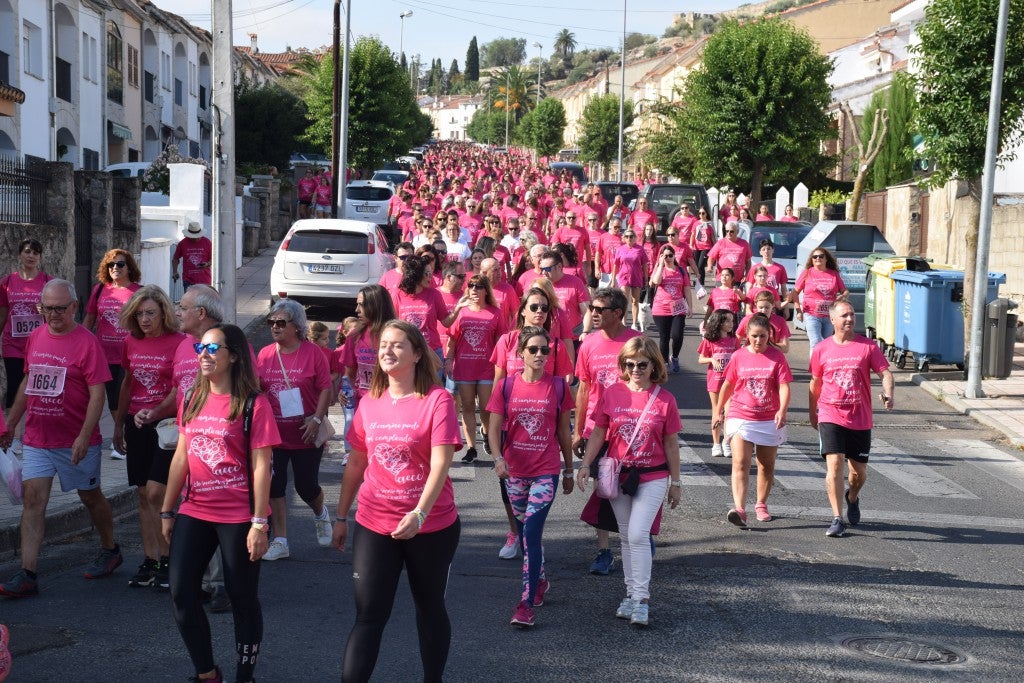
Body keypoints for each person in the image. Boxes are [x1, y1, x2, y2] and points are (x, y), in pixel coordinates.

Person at [332, 321, 461, 683]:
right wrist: (341, 515)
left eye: (398, 345)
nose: (387, 351)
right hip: (375, 523)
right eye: (384, 345)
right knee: (369, 615)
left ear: (418, 354)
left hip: (431, 526)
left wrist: (419, 513)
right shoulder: (370, 402)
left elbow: (441, 462)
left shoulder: (438, 400)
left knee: (429, 607)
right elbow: (357, 461)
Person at [162, 323, 280, 683]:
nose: (203, 355)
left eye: (213, 349)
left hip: (239, 516)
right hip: (195, 509)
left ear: (233, 356)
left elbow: (262, 467)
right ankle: (206, 673)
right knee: (182, 593)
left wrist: (259, 522)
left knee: (242, 598)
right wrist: (168, 509)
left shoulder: (253, 404)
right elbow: (181, 456)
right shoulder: (192, 398)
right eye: (201, 347)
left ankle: (246, 675)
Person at [0, 280, 121, 598]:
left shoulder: (87, 342)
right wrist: (10, 423)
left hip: (75, 441)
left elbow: (97, 394)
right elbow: (29, 378)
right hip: (38, 437)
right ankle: (28, 574)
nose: (51, 314)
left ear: (74, 307)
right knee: (33, 501)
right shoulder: (37, 335)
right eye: (46, 308)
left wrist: (84, 436)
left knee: (90, 496)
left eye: (58, 308)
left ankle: (110, 549)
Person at [576, 336, 681, 627]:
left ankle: (642, 599)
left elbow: (671, 444)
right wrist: (586, 464)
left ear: (653, 365)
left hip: (653, 475)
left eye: (642, 364)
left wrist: (676, 482)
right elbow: (599, 433)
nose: (635, 369)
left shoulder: (664, 399)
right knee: (625, 536)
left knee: (637, 534)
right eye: (629, 363)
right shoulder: (612, 393)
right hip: (620, 474)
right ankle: (631, 595)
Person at [486, 326, 574, 627]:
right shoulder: (505, 387)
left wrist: (569, 469)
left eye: (544, 350)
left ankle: (524, 605)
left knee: (532, 532)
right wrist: (497, 458)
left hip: (545, 470)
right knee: (524, 535)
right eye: (533, 349)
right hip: (514, 470)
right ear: (521, 352)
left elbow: (564, 431)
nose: (540, 355)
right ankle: (540, 579)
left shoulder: (559, 387)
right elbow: (493, 428)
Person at [114, 285, 185, 590]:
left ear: (164, 313)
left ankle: (170, 558)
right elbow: (128, 384)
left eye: (150, 313)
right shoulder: (131, 342)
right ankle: (151, 559)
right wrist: (118, 425)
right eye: (139, 313)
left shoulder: (179, 343)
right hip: (137, 423)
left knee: (159, 493)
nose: (144, 319)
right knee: (143, 494)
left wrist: (155, 411)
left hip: (167, 424)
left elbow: (177, 388)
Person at [171, 284, 233, 612]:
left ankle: (223, 585)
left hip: (223, 447)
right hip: (191, 438)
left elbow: (248, 390)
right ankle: (206, 582)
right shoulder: (183, 346)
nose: (177, 312)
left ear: (201, 313)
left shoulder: (229, 342)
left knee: (220, 512)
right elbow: (178, 388)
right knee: (194, 507)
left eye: (182, 307)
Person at [255, 299, 333, 561]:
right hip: (275, 435)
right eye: (271, 322)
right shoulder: (265, 353)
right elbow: (258, 388)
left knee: (306, 486)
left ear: (297, 327)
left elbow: (325, 387)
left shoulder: (313, 354)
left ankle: (321, 513)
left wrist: (317, 420)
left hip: (306, 432)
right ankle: (281, 540)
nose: (274, 327)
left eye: (280, 323)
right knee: (275, 486)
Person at [809, 300, 894, 538]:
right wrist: (811, 412)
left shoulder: (867, 347)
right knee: (834, 464)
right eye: (844, 315)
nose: (849, 319)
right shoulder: (821, 349)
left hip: (860, 418)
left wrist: (889, 393)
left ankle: (852, 497)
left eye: (852, 315)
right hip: (830, 413)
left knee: (858, 473)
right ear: (832, 320)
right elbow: (815, 383)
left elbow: (885, 373)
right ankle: (837, 518)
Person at [573, 288, 642, 575]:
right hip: (596, 428)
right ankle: (604, 551)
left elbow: (650, 384)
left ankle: (640, 538)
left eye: (600, 309)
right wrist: (578, 430)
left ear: (618, 313)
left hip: (630, 430)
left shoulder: (637, 341)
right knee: (604, 489)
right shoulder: (588, 343)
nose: (593, 313)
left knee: (635, 487)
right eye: (592, 308)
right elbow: (584, 389)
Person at [714, 314, 792, 527]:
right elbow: (727, 385)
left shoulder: (777, 357)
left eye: (763, 336)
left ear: (770, 336)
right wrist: (718, 411)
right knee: (740, 462)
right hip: (741, 416)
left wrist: (782, 411)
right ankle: (739, 509)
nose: (758, 341)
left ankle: (761, 503)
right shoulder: (738, 356)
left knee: (766, 464)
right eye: (754, 336)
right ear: (747, 336)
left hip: (768, 418)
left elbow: (784, 386)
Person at [83, 249, 143, 460]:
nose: (115, 268)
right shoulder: (99, 290)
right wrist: (82, 345)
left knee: (123, 399)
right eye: (111, 265)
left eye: (120, 264)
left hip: (130, 356)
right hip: (103, 355)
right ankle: (122, 440)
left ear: (129, 268)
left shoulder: (138, 292)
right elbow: (89, 321)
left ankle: (124, 440)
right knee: (113, 402)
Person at [445, 275, 507, 464]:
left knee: (486, 407)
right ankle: (472, 447)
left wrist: (502, 367)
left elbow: (501, 342)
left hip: (487, 368)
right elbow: (453, 339)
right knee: (468, 406)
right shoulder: (462, 312)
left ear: (485, 290)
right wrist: (449, 360)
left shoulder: (495, 312)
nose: (474, 289)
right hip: (464, 366)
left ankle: (488, 435)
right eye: (471, 286)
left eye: (478, 286)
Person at [0, 238, 53, 454]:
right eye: (28, 251)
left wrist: (45, 312)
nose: (31, 256)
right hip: (12, 343)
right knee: (14, 388)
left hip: (38, 344)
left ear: (40, 258)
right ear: (20, 254)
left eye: (36, 253)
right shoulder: (7, 282)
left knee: (36, 388)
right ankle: (13, 437)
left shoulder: (47, 282)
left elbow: (53, 315)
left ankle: (35, 435)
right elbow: (3, 314)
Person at [789, 247, 848, 352]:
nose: (818, 258)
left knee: (826, 343)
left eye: (821, 256)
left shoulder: (833, 274)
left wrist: (842, 296)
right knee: (815, 341)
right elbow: (795, 293)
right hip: (811, 314)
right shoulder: (807, 273)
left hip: (829, 315)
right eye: (815, 257)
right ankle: (814, 368)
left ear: (826, 259)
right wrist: (798, 310)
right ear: (812, 260)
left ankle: (824, 366)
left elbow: (845, 291)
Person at [697, 309, 738, 458]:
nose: (731, 324)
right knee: (717, 412)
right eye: (727, 320)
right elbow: (701, 359)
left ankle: (726, 442)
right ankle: (716, 443)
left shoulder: (734, 340)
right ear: (719, 322)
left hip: (730, 382)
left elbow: (739, 357)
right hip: (715, 381)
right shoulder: (709, 340)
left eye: (732, 320)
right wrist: (712, 359)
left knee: (729, 413)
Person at [649, 242, 694, 374]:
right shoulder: (659, 269)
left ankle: (674, 357)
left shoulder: (681, 270)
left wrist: (690, 307)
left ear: (674, 256)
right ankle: (664, 363)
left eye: (670, 255)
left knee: (677, 335)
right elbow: (656, 282)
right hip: (660, 309)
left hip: (678, 307)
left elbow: (686, 289)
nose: (668, 258)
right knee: (664, 337)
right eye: (665, 255)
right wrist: (660, 264)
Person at [611, 230, 649, 332]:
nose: (629, 238)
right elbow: (616, 265)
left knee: (635, 301)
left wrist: (646, 277)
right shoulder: (620, 249)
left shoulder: (640, 249)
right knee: (624, 300)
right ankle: (624, 322)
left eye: (631, 236)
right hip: (624, 277)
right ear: (624, 238)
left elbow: (645, 264)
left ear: (635, 237)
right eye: (627, 236)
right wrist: (613, 279)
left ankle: (634, 323)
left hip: (636, 277)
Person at [745, 239, 789, 307]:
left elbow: (784, 288)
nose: (766, 251)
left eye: (768, 249)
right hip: (758, 305)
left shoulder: (780, 268)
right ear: (760, 252)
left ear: (773, 250)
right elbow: (749, 287)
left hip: (773, 304)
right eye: (763, 249)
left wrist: (786, 308)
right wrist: (748, 306)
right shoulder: (755, 268)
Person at [172, 222, 213, 290]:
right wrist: (175, 272)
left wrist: (207, 264)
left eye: (197, 236)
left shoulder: (207, 242)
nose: (196, 239)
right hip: (188, 281)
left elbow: (213, 259)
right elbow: (175, 259)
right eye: (193, 237)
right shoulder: (182, 243)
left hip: (205, 280)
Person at [689, 208, 716, 286]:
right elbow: (693, 235)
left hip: (706, 247)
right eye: (700, 213)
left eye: (703, 213)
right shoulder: (696, 223)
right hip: (696, 247)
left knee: (701, 265)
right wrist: (691, 245)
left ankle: (701, 283)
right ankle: (698, 280)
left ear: (706, 213)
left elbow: (712, 236)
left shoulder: (709, 224)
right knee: (697, 266)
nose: (701, 215)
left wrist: (715, 247)